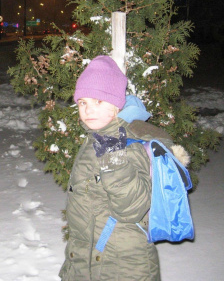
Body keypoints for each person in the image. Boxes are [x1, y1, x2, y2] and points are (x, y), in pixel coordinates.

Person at [59, 55, 171, 281]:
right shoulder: (96, 137)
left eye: (98, 101)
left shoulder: (130, 141)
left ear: (116, 104)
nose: (89, 110)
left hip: (122, 265)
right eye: (83, 102)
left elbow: (132, 209)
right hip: (90, 259)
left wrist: (114, 159)